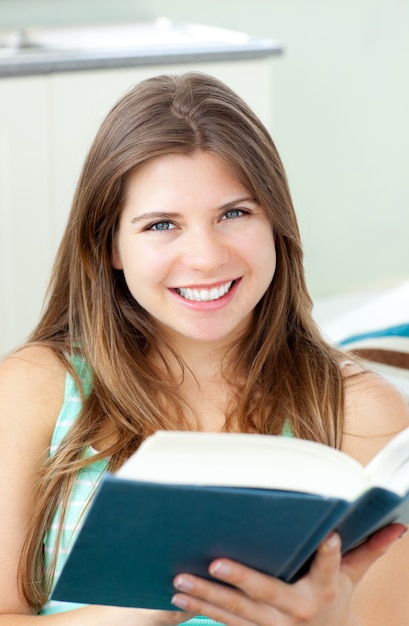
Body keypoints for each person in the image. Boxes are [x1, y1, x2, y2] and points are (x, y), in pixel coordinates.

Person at [0, 72, 408, 626]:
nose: (205, 258)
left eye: (234, 214)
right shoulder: (34, 389)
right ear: (111, 245)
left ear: (276, 226)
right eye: (162, 224)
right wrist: (153, 606)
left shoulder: (360, 411)